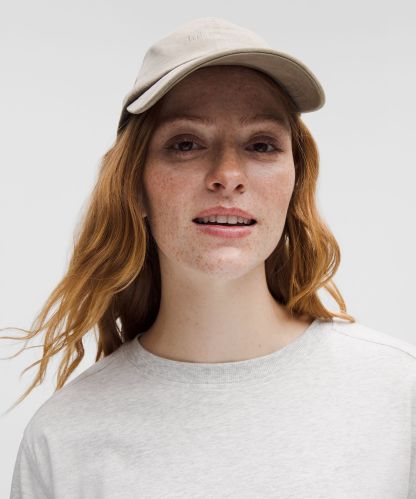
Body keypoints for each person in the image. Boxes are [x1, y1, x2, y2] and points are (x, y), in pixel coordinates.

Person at [3, 16, 416, 499]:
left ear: (295, 181)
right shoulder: (64, 439)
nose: (228, 174)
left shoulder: (398, 393)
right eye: (186, 144)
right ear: (134, 185)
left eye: (261, 145)